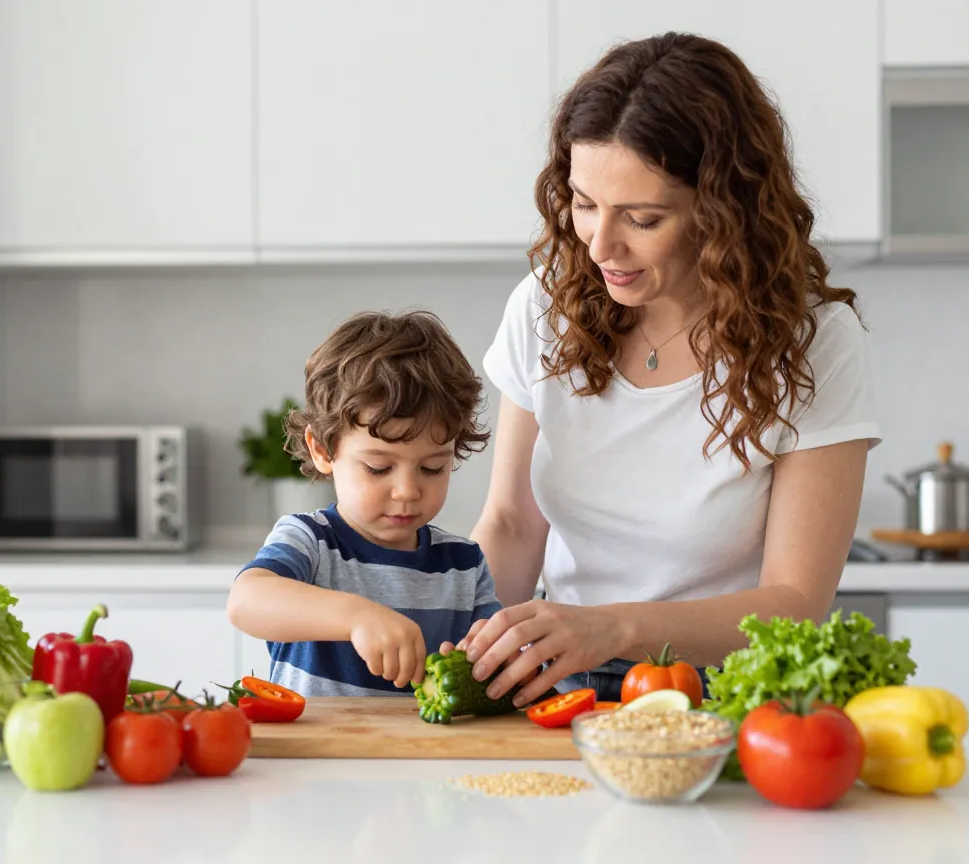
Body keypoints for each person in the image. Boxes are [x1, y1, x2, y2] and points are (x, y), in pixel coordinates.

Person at [456, 32, 882, 708]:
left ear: (723, 210)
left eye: (642, 218)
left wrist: (613, 629)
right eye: (584, 203)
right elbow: (511, 525)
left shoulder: (812, 341)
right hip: (556, 685)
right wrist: (464, 648)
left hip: (725, 694)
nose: (600, 246)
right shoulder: (546, 305)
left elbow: (795, 601)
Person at [226, 310, 503, 696]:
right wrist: (355, 616)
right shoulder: (311, 542)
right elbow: (246, 602)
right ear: (322, 450)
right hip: (320, 738)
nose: (407, 491)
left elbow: (496, 659)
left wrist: (486, 657)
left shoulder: (464, 564)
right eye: (378, 468)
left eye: (432, 468)